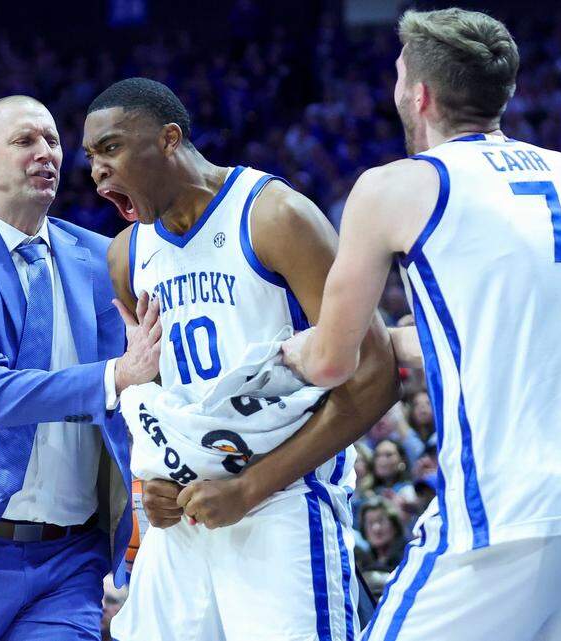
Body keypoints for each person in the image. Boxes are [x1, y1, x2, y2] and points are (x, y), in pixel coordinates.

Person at [281, 8, 561, 640]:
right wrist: (402, 340)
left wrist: (288, 351)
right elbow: (513, 325)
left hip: (499, 513)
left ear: (417, 93)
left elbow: (333, 361)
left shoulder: (396, 187)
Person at [83, 77, 399, 641]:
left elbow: (374, 378)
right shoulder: (126, 255)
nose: (96, 171)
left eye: (110, 148)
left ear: (169, 139)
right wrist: (151, 483)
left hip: (280, 501)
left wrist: (249, 489)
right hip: (182, 519)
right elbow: (153, 398)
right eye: (90, 157)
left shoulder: (273, 216)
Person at [0, 95, 158, 640]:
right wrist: (116, 376)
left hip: (71, 560)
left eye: (53, 142)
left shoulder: (104, 257)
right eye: (24, 141)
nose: (46, 154)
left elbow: (147, 383)